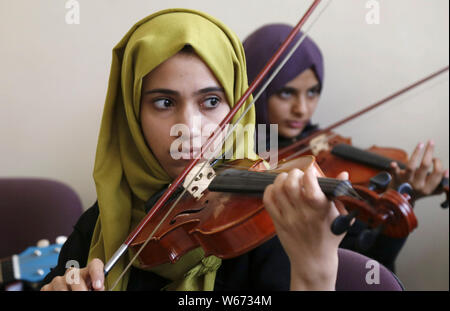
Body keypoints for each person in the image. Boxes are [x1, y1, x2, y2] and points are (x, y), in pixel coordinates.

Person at [40, 9, 399, 292]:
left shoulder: (274, 220)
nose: (191, 129)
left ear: (237, 110)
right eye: (164, 102)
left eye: (211, 101)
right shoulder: (99, 224)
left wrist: (313, 272)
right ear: (132, 115)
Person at [243, 23, 449, 272]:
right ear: (254, 86)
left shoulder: (324, 149)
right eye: (286, 93)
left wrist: (399, 203)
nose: (302, 109)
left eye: (312, 92)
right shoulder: (235, 154)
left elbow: (362, 265)